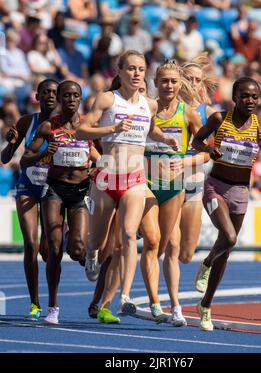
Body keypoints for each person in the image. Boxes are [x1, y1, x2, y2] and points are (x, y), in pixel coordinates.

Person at [76, 50, 178, 315]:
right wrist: (112, 129)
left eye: (141, 69)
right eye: (131, 68)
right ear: (119, 71)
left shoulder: (149, 104)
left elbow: (151, 127)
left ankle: (125, 295)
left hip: (134, 178)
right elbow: (81, 130)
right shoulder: (108, 99)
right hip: (108, 176)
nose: (136, 73)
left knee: (130, 235)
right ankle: (91, 254)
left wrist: (165, 139)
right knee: (98, 241)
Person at [192, 77, 261, 331]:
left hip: (240, 192)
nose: (250, 100)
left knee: (226, 252)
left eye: (254, 96)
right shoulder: (219, 119)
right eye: (245, 96)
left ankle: (205, 305)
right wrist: (209, 150)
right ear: (235, 98)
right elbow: (196, 142)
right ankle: (206, 263)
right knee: (228, 238)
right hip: (215, 187)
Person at [21, 80, 100, 324]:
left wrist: (95, 165)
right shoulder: (48, 126)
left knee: (76, 248)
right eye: (66, 95)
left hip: (79, 191)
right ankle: (52, 306)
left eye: (75, 95)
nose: (71, 100)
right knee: (53, 252)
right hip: (54, 189)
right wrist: (45, 153)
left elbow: (102, 156)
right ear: (61, 98)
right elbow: (25, 160)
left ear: (80, 98)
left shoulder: (88, 126)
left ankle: (75, 243)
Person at [141, 60, 209, 326]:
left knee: (177, 249)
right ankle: (151, 302)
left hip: (176, 185)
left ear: (179, 85)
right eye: (164, 81)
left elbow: (208, 152)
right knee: (151, 243)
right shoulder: (145, 107)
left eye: (173, 81)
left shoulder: (190, 113)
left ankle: (175, 306)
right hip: (143, 183)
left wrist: (186, 160)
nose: (168, 86)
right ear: (155, 83)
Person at [1, 79, 58, 320]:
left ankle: (53, 303)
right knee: (31, 245)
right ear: (37, 96)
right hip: (27, 187)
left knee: (49, 251)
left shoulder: (65, 124)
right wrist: (11, 141)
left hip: (53, 190)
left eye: (55, 92)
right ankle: (35, 303)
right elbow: (5, 158)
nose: (51, 96)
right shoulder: (27, 122)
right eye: (45, 92)